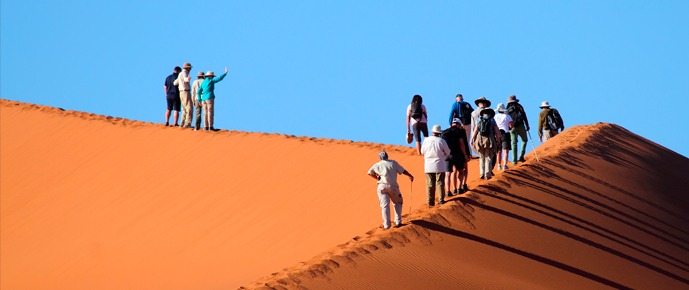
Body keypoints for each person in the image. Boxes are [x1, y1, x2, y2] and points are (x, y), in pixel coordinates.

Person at [367, 150, 414, 229]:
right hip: (393, 186)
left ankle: (387, 225)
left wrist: (377, 178)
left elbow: (369, 172)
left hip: (381, 186)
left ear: (380, 158)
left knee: (384, 206)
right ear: (387, 156)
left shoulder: (377, 165)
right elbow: (402, 171)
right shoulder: (393, 163)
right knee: (398, 202)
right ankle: (398, 221)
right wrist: (410, 175)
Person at [421, 125, 451, 206]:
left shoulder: (426, 140)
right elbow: (448, 152)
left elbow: (422, 151)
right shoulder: (442, 141)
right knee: (440, 183)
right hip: (439, 165)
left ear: (432, 132)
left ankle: (430, 202)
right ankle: (441, 200)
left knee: (430, 185)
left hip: (428, 165)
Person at [441, 118, 471, 197]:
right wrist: (465, 155)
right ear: (458, 124)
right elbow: (462, 144)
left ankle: (448, 191)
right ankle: (459, 188)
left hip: (447, 156)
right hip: (457, 154)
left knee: (448, 173)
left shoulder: (444, 132)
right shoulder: (459, 132)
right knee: (461, 171)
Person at [471, 108, 501, 180]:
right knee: (488, 156)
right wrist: (498, 141)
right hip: (489, 139)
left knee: (481, 156)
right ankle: (487, 174)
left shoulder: (479, 119)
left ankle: (481, 173)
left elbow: (475, 130)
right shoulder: (492, 120)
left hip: (480, 139)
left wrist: (472, 139)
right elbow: (497, 132)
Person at [506, 95, 530, 165]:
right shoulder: (519, 106)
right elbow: (524, 116)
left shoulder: (507, 108)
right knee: (524, 140)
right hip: (520, 126)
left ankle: (514, 161)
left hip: (512, 128)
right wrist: (527, 125)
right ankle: (521, 156)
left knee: (514, 144)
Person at [494, 103, 513, 170]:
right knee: (506, 151)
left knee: (499, 151)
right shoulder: (507, 116)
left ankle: (499, 165)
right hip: (505, 134)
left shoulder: (495, 116)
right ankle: (505, 165)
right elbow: (511, 125)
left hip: (497, 134)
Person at [174, 62, 193, 128]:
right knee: (189, 107)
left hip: (181, 92)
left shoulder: (180, 74)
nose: (190, 69)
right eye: (190, 68)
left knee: (184, 108)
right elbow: (185, 79)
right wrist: (187, 79)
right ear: (187, 68)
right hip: (185, 91)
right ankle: (187, 123)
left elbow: (175, 83)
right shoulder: (185, 73)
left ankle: (182, 123)